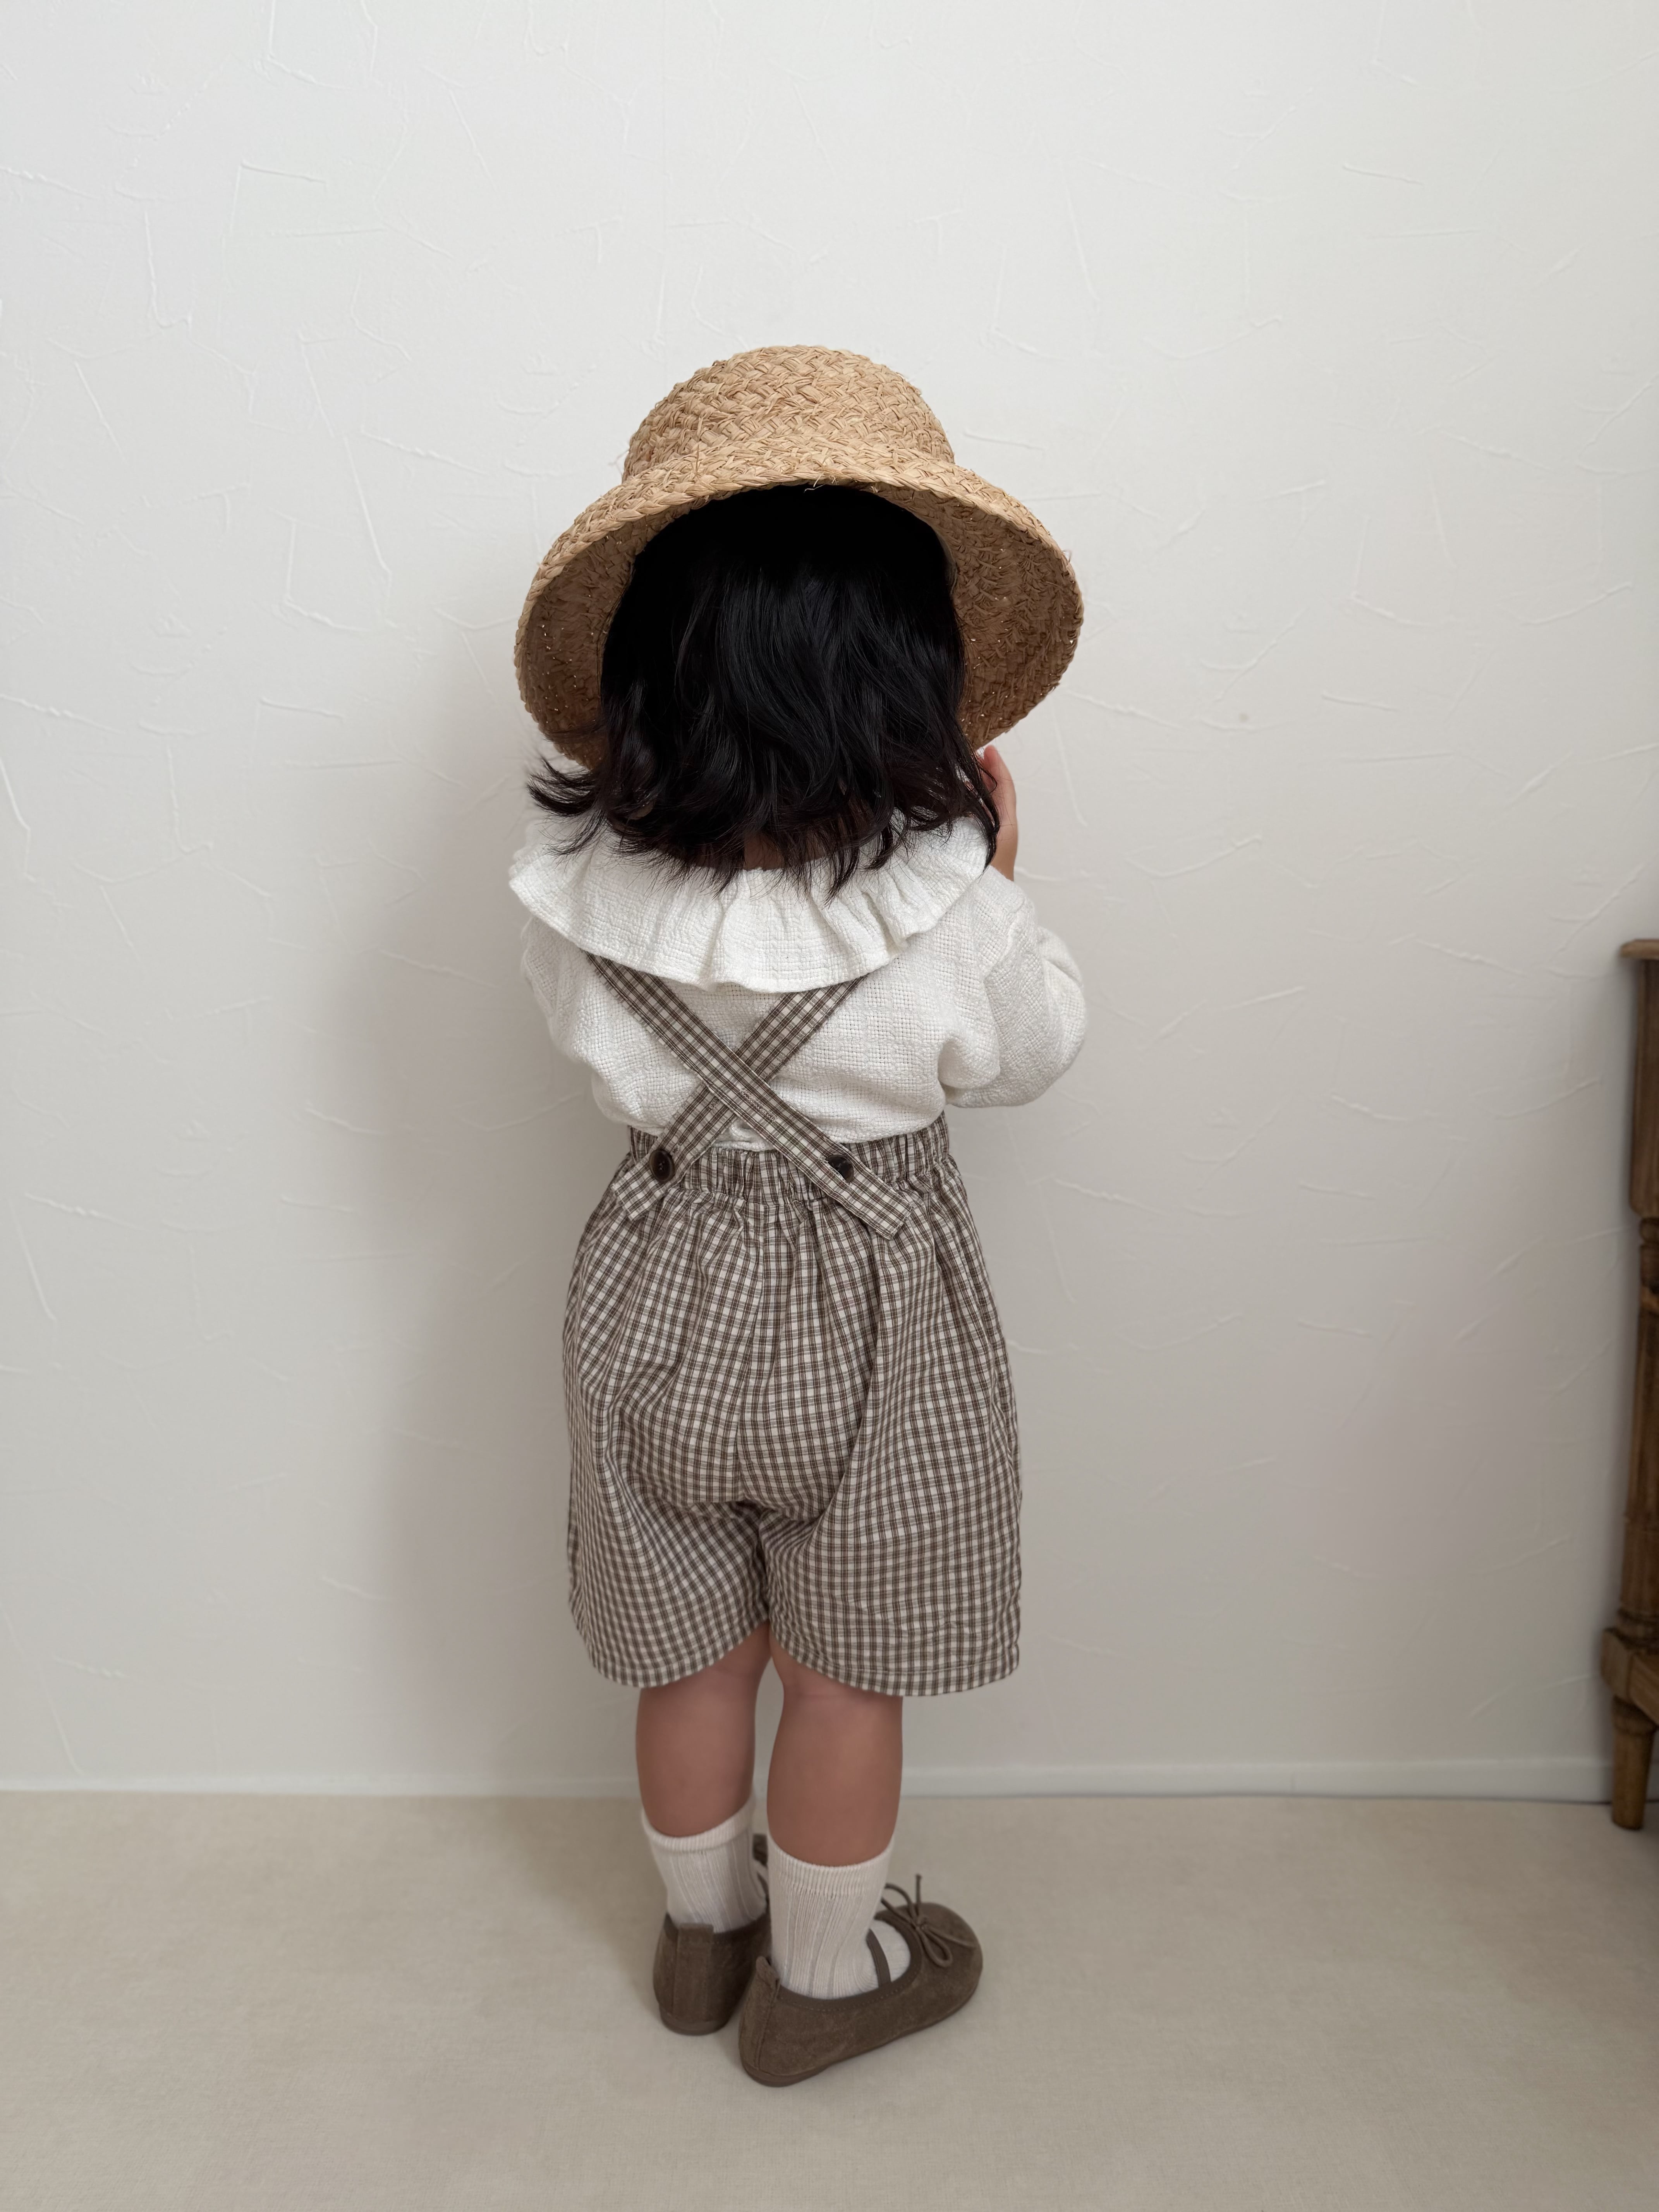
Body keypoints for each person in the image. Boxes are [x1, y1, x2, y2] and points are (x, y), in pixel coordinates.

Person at [507, 347, 1086, 2085]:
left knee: (695, 1654)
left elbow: (589, 1056)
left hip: (651, 1288)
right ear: (912, 682)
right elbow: (1030, 1056)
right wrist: (995, 878)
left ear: (641, 680)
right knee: (843, 1674)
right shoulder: (948, 909)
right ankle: (825, 1985)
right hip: (879, 1314)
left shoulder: (573, 898)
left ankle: (703, 1943)